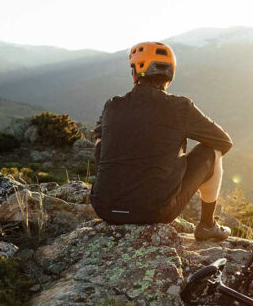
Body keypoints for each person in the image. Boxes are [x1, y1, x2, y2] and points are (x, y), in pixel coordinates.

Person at [90, 41, 233, 241]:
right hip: (154, 212)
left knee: (101, 139)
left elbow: (99, 139)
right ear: (170, 74)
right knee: (211, 151)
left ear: (135, 73)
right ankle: (208, 225)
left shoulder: (112, 105)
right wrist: (177, 164)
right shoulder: (180, 107)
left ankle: (113, 190)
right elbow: (224, 141)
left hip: (105, 209)